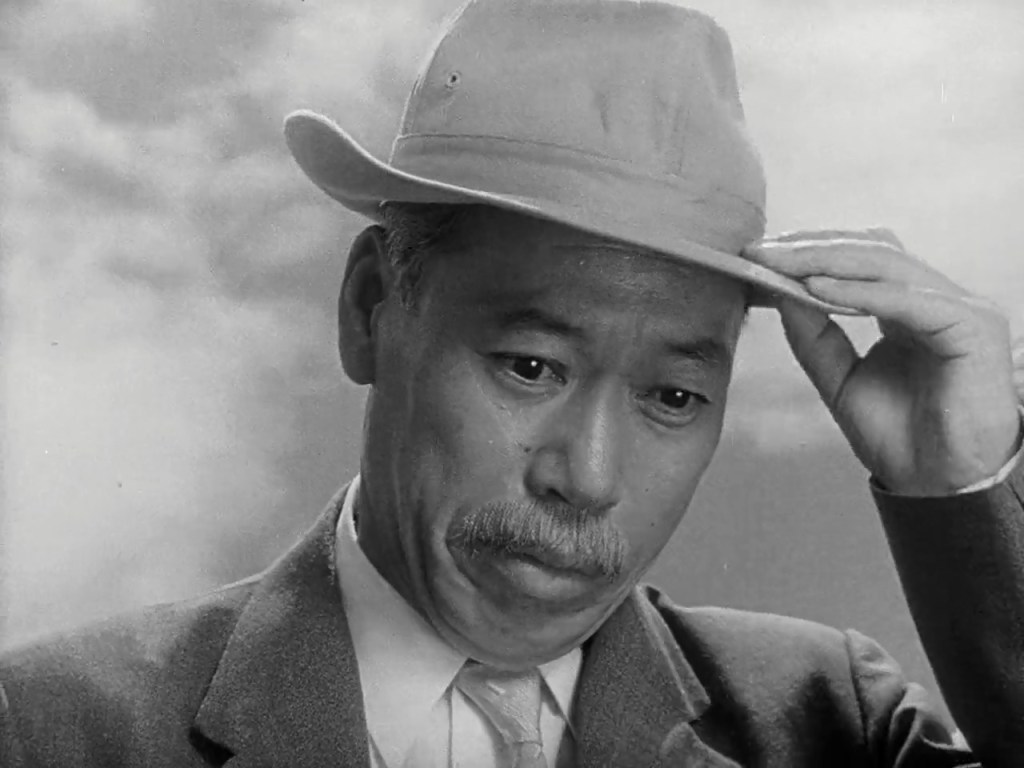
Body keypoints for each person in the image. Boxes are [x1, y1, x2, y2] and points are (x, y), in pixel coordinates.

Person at [2, 1, 1022, 766]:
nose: (587, 476)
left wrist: (961, 490)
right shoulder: (49, 731)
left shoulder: (831, 720)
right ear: (368, 307)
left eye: (672, 397)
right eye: (530, 367)